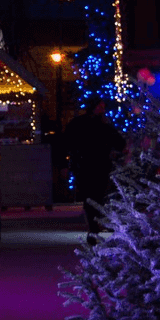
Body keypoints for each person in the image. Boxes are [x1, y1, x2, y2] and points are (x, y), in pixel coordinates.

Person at [63, 96, 125, 236]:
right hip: (94, 165)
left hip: (88, 165)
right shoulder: (100, 125)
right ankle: (94, 223)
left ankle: (93, 224)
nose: (102, 109)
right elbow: (119, 143)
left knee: (91, 195)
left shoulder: (80, 123)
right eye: (100, 106)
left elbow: (66, 144)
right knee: (95, 195)